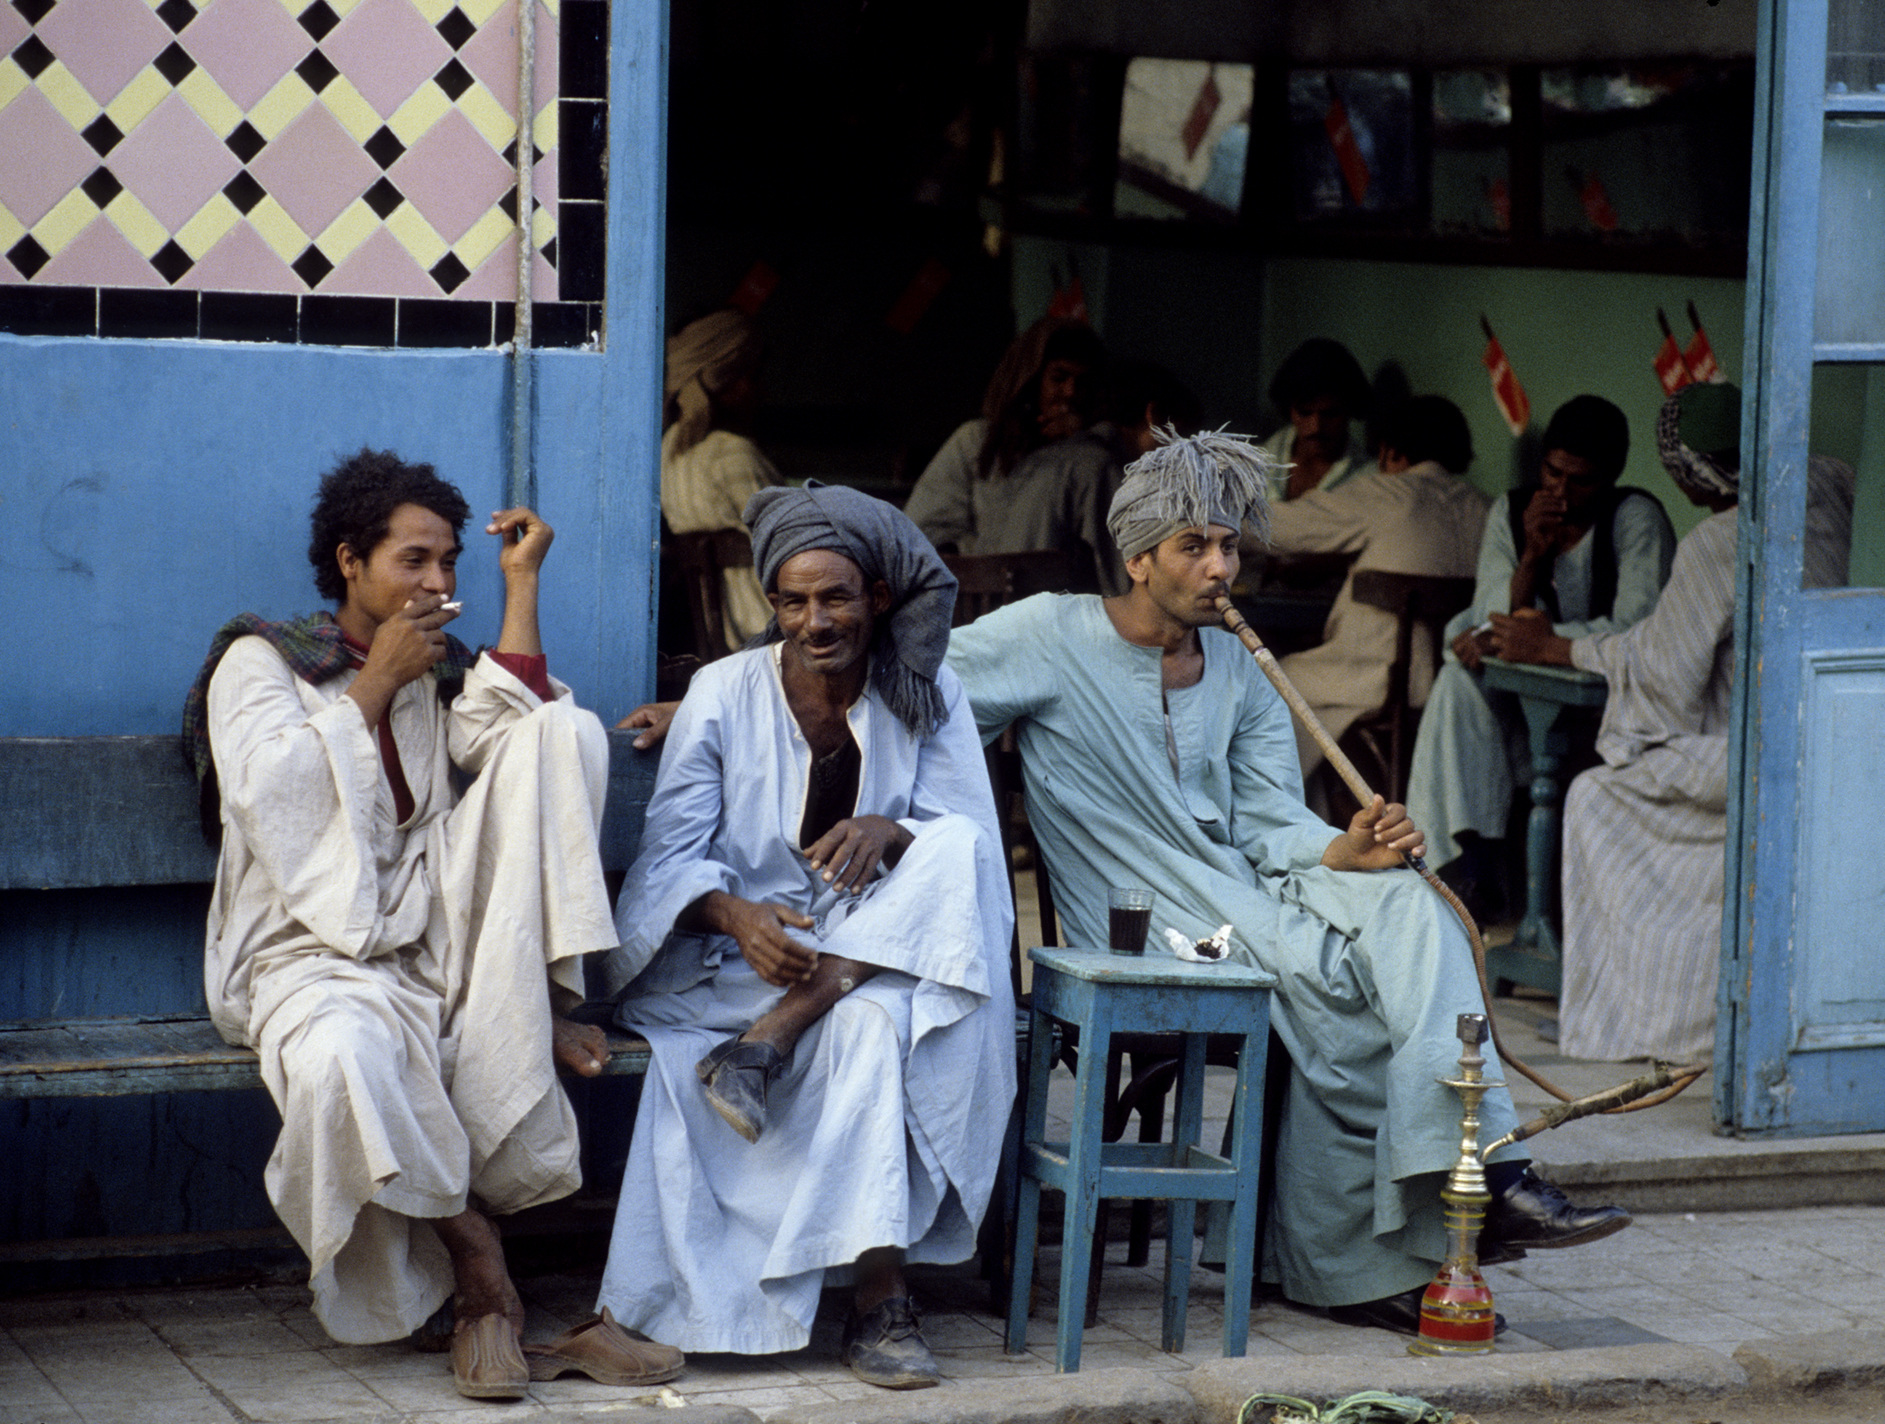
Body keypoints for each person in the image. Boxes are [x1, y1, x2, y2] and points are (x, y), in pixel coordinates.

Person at [945, 431, 1628, 1337]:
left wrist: (1346, 851)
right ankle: (1403, 1231)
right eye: (1195, 546)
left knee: (1410, 906)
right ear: (1138, 557)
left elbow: (1272, 824)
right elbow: (915, 681)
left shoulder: (1239, 664)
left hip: (1246, 896)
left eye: (1229, 544)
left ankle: (1486, 1170)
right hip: (1141, 923)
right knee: (1344, 990)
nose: (1221, 566)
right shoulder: (1048, 632)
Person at [181, 451, 682, 1398]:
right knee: (344, 1061)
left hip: (424, 927)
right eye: (415, 561)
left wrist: (519, 586)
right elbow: (265, 798)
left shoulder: (435, 663)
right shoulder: (264, 660)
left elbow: (515, 739)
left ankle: (535, 998)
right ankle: (484, 1279)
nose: (439, 583)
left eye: (450, 562)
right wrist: (373, 686)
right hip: (301, 949)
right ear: (349, 560)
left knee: (561, 730)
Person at [600, 483, 1015, 1388]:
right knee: (868, 1021)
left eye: (835, 598)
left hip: (875, 956)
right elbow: (666, 864)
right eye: (793, 602)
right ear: (772, 606)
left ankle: (877, 1297)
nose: (816, 620)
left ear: (877, 597)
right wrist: (737, 916)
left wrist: (890, 830)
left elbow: (968, 851)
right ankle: (875, 1298)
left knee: (953, 853)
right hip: (741, 966)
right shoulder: (721, 693)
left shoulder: (928, 688)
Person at [1516, 386, 1854, 1063]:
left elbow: (1665, 671)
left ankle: (1645, 1018)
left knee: (1594, 797)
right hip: (1831, 740)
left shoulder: (1719, 540)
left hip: (1747, 756)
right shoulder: (1828, 496)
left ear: (1689, 469)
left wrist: (1563, 648)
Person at [1405, 394, 1677, 898]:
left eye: (1581, 481)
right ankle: (1455, 865)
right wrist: (1531, 556)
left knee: (1468, 683)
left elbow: (1636, 628)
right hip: (1519, 705)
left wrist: (1547, 642)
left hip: (1602, 710)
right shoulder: (1512, 511)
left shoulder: (1635, 518)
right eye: (1552, 474)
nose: (1562, 492)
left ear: (1613, 474)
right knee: (1456, 686)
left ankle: (1486, 872)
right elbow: (1495, 619)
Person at [1268, 376, 1492, 780]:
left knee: (1267, 679)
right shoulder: (1489, 510)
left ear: (1391, 450)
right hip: (1459, 688)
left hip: (1380, 681)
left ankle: (1294, 820)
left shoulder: (1385, 493)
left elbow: (1275, 527)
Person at [904, 317, 1127, 593]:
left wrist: (1081, 442)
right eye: (1058, 378)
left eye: (1082, 382)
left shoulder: (1096, 459)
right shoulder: (976, 441)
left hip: (1056, 609)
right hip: (973, 600)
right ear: (1031, 379)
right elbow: (925, 528)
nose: (1070, 393)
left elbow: (1116, 561)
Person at [661, 309, 783, 649]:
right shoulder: (732, 453)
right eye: (752, 376)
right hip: (769, 629)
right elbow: (791, 544)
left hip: (722, 636)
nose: (758, 389)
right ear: (724, 378)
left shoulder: (669, 447)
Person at [1259, 338, 1378, 501]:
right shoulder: (1257, 461)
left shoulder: (1368, 476)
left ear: (1349, 410)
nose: (1316, 427)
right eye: (1305, 413)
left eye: (1331, 414)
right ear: (1290, 410)